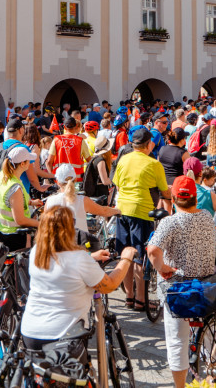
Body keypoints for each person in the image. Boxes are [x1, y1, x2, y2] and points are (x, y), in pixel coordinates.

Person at [21, 205, 137, 364]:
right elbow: (110, 285)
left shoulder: (37, 252)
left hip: (31, 332)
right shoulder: (78, 258)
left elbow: (62, 266)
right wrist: (126, 259)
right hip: (63, 335)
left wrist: (91, 257)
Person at [147, 176, 216, 388]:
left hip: (179, 291)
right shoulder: (207, 216)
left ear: (175, 198)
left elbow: (152, 251)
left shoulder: (170, 221)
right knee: (210, 336)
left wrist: (162, 268)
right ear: (195, 198)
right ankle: (212, 377)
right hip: (206, 286)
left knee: (177, 341)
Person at [112, 127, 170, 311]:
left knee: (126, 255)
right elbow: (165, 190)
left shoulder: (123, 159)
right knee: (139, 257)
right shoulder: (153, 163)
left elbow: (118, 185)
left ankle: (129, 296)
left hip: (122, 209)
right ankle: (140, 300)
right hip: (142, 211)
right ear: (148, 145)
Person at [0, 142, 41, 251]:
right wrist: (41, 224)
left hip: (0, 230)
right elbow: (20, 220)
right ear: (22, 164)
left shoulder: (3, 176)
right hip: (14, 234)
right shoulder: (14, 187)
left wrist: (31, 202)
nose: (29, 163)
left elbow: (8, 200)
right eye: (28, 161)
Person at [46, 164, 120, 235]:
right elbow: (104, 211)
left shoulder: (49, 201)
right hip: (79, 244)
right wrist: (118, 211)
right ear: (75, 179)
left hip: (57, 245)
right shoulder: (82, 200)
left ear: (58, 182)